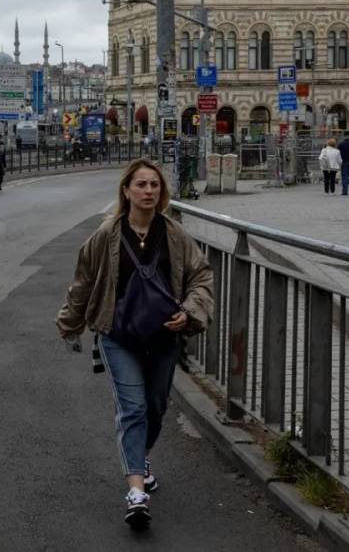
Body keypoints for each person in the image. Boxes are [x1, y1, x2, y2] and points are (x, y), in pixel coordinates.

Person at [56, 159, 213, 530]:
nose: (148, 191)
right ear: (126, 191)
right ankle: (136, 492)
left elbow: (201, 275)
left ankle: (139, 458)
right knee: (133, 407)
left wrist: (189, 312)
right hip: (117, 335)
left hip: (163, 335)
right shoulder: (106, 235)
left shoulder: (175, 235)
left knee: (156, 407)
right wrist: (69, 324)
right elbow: (83, 283)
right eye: (141, 185)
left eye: (154, 185)